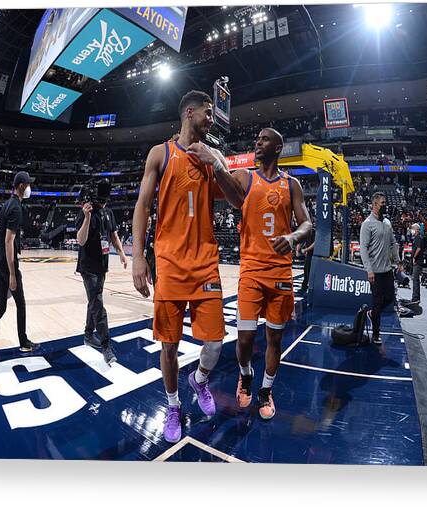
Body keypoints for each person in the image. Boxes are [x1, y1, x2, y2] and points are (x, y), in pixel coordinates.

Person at [131, 90, 244, 443]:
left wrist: (217, 163)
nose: (212, 119)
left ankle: (199, 380)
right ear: (189, 112)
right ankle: (174, 405)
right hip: (169, 263)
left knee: (213, 342)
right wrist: (137, 256)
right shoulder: (160, 154)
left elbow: (240, 201)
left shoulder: (213, 156)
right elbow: (143, 206)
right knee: (169, 345)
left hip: (205, 263)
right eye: (208, 113)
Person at [230, 128, 312, 419]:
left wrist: (292, 237)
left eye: (264, 139)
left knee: (274, 339)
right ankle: (245, 375)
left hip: (280, 271)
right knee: (244, 339)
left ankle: (265, 390)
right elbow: (222, 187)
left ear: (278, 147)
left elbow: (307, 224)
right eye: (257, 139)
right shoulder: (244, 177)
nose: (257, 142)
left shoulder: (292, 185)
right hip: (251, 269)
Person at [0, 171, 38, 362]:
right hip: (7, 265)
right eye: (28, 184)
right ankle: (24, 342)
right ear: (21, 186)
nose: (30, 187)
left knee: (1, 305)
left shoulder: (7, 204)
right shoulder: (15, 208)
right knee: (21, 304)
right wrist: (13, 273)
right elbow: (8, 242)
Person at [75, 180, 128, 365]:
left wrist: (121, 252)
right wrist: (87, 218)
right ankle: (106, 345)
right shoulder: (85, 212)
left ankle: (88, 335)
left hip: (102, 265)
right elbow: (80, 241)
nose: (104, 203)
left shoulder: (108, 212)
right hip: (88, 267)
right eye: (102, 200)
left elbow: (113, 234)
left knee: (94, 301)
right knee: (97, 303)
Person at [360, 192, 397, 345]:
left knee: (390, 299)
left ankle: (372, 313)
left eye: (385, 202)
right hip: (375, 271)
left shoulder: (387, 222)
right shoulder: (367, 224)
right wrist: (369, 270)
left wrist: (398, 260)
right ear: (374, 204)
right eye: (382, 203)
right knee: (377, 302)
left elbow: (393, 243)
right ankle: (376, 335)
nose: (385, 205)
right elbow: (363, 248)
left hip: (387, 270)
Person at [410, 223, 424, 304]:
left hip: (418, 261)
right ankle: (415, 297)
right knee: (415, 279)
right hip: (416, 261)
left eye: (413, 228)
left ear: (417, 230)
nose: (412, 230)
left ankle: (415, 298)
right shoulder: (416, 238)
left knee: (415, 280)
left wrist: (414, 257)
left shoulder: (418, 238)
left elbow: (418, 249)